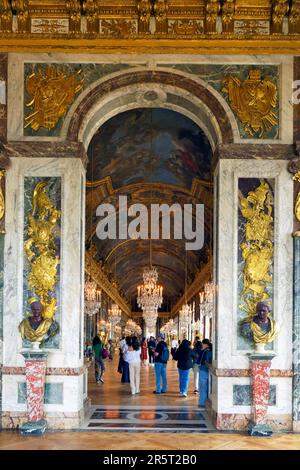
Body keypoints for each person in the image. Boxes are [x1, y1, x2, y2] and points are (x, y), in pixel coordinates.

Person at [197, 339, 212, 407]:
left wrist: (202, 350)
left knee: (203, 387)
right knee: (208, 387)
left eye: (202, 344)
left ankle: (202, 402)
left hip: (203, 370)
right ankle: (207, 401)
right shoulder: (211, 350)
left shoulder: (205, 351)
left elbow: (201, 361)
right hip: (209, 371)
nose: (202, 345)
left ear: (205, 344)